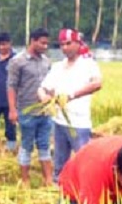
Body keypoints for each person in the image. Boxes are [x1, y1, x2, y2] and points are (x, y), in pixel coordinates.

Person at [39, 28, 103, 182]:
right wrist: (44, 97)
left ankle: (85, 188)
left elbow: (97, 83)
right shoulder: (57, 66)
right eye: (62, 44)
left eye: (68, 43)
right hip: (59, 122)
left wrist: (71, 96)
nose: (65, 48)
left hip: (79, 123)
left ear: (77, 43)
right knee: (60, 163)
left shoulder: (88, 64)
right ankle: (59, 188)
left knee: (84, 161)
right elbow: (43, 87)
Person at [7, 28, 53, 186]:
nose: (45, 46)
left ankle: (48, 179)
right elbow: (11, 86)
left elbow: (50, 84)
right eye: (42, 43)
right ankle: (25, 180)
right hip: (27, 111)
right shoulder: (18, 61)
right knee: (26, 146)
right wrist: (12, 110)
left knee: (44, 146)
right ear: (32, 41)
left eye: (47, 43)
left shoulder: (46, 61)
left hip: (45, 112)